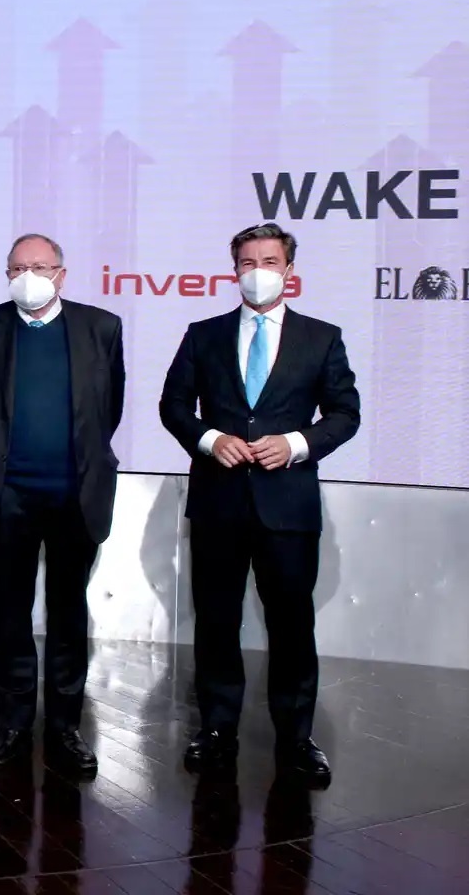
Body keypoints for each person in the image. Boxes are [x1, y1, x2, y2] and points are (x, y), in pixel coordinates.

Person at [160, 222, 359, 786]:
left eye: (268, 261)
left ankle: (297, 738)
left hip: (287, 506)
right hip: (219, 501)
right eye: (247, 262)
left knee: (292, 624)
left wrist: (296, 444)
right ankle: (217, 729)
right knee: (217, 621)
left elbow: (345, 413)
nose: (257, 272)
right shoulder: (203, 334)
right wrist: (209, 439)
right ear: (234, 270)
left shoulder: (321, 338)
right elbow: (173, 405)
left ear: (290, 270)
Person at [0, 233, 124, 778]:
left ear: (62, 274)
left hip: (76, 493)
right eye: (18, 268)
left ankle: (67, 727)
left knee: (69, 608)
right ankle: (13, 722)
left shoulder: (101, 328)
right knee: (12, 608)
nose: (30, 276)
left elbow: (109, 408)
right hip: (8, 495)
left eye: (41, 267)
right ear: (7, 275)